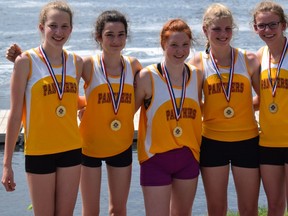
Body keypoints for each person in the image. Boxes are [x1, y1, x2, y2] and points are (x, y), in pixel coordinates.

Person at [1, 1, 83, 216]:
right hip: (39, 151)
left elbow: (75, 97)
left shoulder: (78, 62)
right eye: (53, 25)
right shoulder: (25, 62)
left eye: (65, 26)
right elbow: (15, 114)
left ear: (71, 29)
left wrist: (86, 106)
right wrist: (7, 163)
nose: (59, 32)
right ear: (41, 27)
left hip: (71, 149)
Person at [189, 3, 261, 216]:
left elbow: (266, 98)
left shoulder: (248, 60)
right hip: (212, 142)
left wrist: (244, 108)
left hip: (247, 141)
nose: (223, 34)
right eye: (217, 29)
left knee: (249, 209)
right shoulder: (197, 62)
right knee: (217, 209)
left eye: (228, 29)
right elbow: (190, 102)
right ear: (205, 30)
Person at [134, 18, 202, 216]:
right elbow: (125, 111)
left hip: (187, 156)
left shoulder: (197, 76)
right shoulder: (147, 76)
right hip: (155, 158)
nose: (180, 51)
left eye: (185, 45)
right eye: (173, 45)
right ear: (163, 44)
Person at [79, 10, 142, 216]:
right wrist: (84, 106)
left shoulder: (133, 66)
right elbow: (61, 89)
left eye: (121, 34)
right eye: (109, 34)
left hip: (121, 144)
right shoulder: (87, 65)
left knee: (119, 209)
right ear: (99, 37)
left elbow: (146, 94)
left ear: (126, 36)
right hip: (89, 146)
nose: (116, 40)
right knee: (91, 211)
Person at [252, 1, 288, 215]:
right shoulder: (259, 56)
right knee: (274, 207)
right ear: (255, 28)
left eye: (272, 25)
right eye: (261, 26)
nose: (267, 30)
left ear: (283, 25)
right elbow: (263, 98)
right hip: (268, 142)